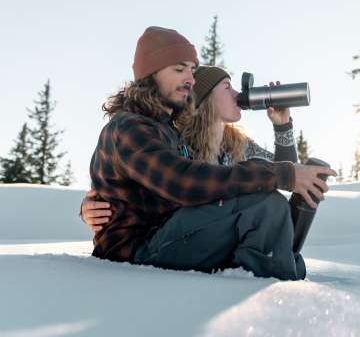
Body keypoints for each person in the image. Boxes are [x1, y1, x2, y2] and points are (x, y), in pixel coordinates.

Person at [84, 26, 334, 280]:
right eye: (179, 69)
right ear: (150, 75)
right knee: (266, 206)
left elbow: (286, 177)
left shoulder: (169, 130)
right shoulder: (132, 127)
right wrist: (90, 204)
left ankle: (276, 270)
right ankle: (270, 283)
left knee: (270, 206)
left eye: (192, 70)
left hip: (172, 234)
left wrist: (282, 130)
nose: (190, 79)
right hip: (137, 251)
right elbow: (182, 181)